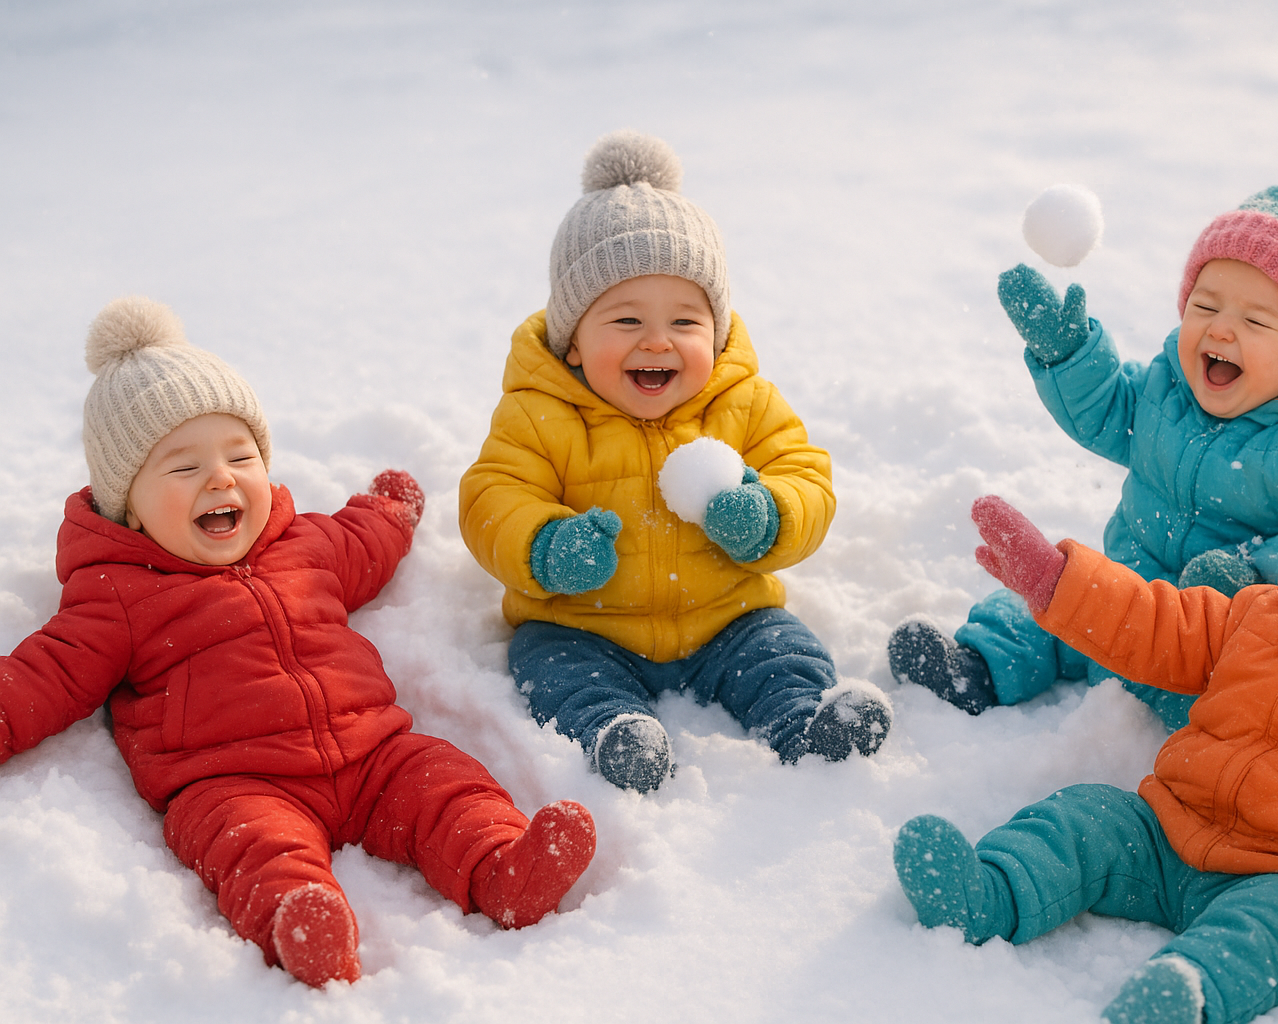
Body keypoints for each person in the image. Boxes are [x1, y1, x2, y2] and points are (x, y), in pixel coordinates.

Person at [0, 297, 596, 988]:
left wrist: (389, 510)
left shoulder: (302, 544)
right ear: (129, 505)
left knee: (444, 784)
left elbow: (363, 543)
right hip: (236, 780)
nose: (221, 478)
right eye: (184, 468)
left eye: (240, 455)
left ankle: (502, 867)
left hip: (373, 753)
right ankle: (300, 924)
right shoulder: (119, 595)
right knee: (254, 848)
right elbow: (45, 676)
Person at [893, 391, 1278, 1024]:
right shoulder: (1262, 616)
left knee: (1275, 934)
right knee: (1083, 818)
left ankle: (1186, 995)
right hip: (1167, 828)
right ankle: (987, 890)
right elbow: (1154, 624)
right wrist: (1061, 584)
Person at [890, 139, 1278, 730]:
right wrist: (1069, 355)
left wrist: (1251, 577)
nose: (1220, 330)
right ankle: (976, 663)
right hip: (1122, 591)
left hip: (1206, 634)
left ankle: (1200, 746)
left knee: (1220, 694)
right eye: (1205, 307)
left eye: (1255, 320)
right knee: (1048, 604)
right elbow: (1111, 410)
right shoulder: (1171, 386)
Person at [459, 131, 890, 793]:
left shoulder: (744, 402)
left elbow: (806, 475)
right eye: (626, 322)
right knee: (553, 667)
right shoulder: (538, 413)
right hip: (585, 625)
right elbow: (493, 497)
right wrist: (546, 546)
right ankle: (616, 735)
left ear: (715, 336)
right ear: (573, 343)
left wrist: (770, 516)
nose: (658, 340)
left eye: (686, 323)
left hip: (727, 617)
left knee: (782, 649)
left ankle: (807, 724)